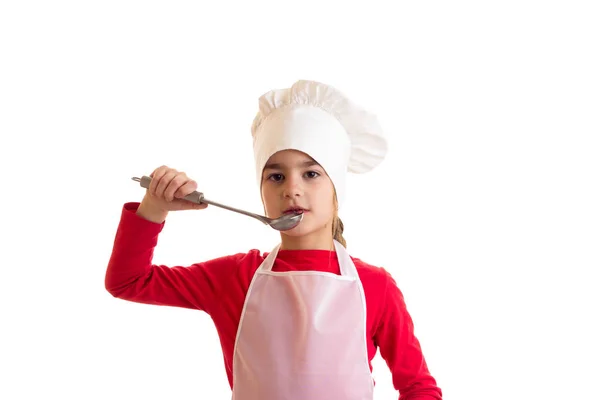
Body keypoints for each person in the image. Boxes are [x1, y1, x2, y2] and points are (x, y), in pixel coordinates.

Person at [105, 80, 443, 399]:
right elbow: (128, 281)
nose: (291, 188)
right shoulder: (232, 277)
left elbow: (418, 386)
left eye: (311, 174)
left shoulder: (376, 286)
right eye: (276, 176)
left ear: (336, 188)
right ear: (261, 191)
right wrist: (153, 208)